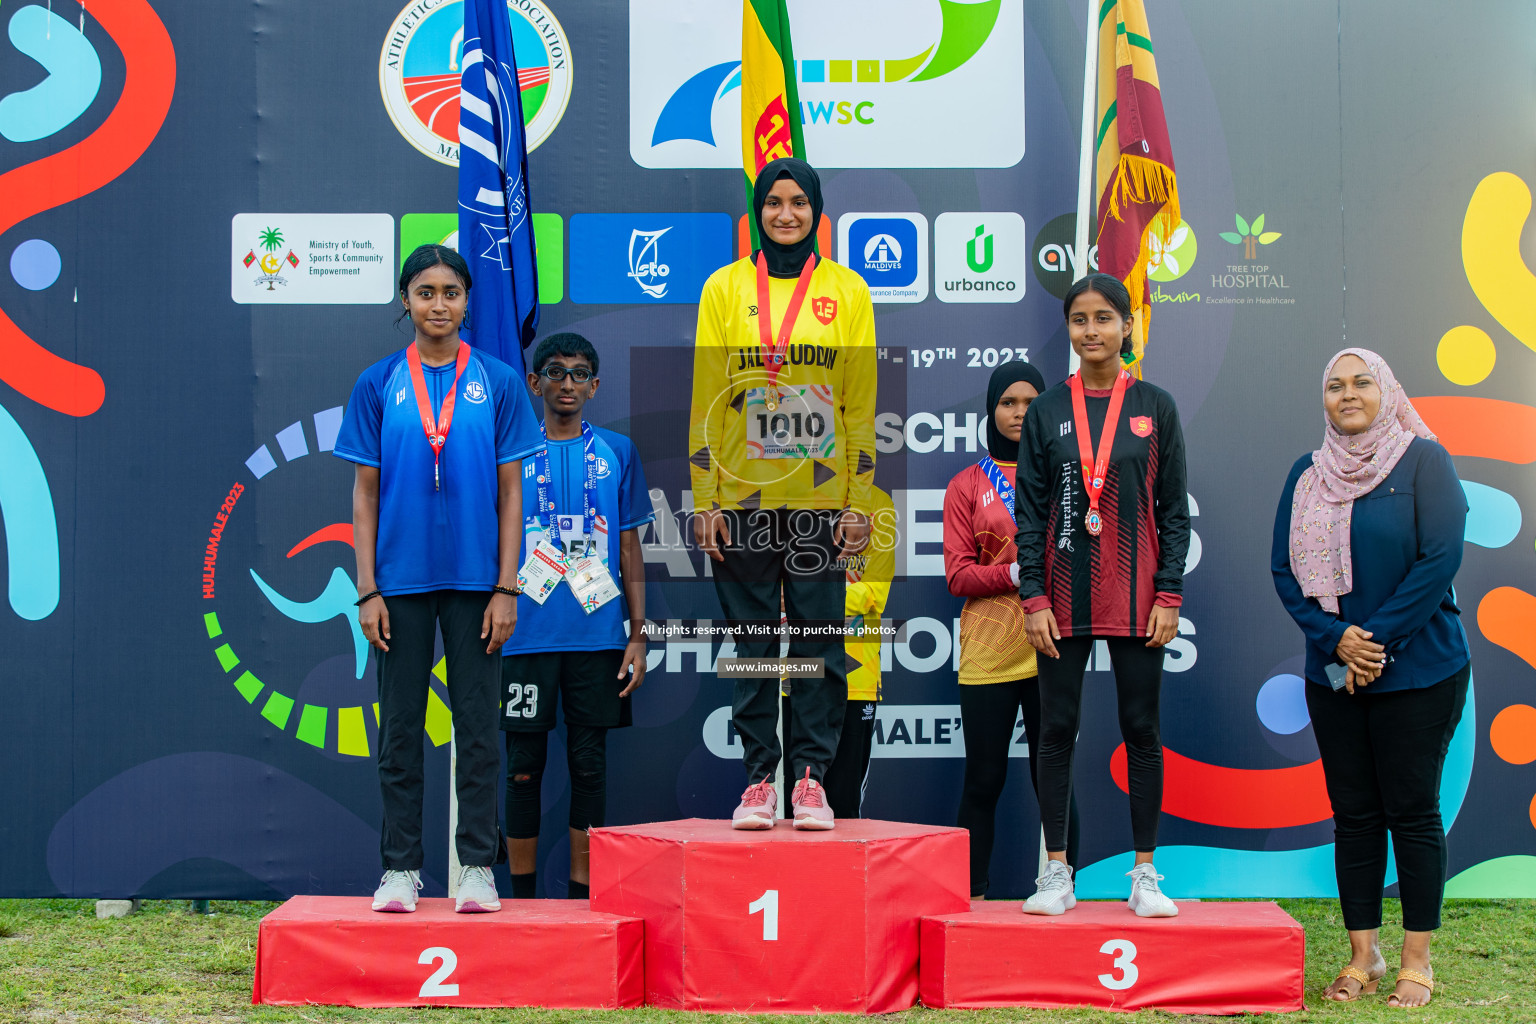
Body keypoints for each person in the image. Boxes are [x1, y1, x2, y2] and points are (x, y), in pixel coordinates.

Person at [334, 244, 541, 914]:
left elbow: (513, 495)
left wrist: (507, 586)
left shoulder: (501, 382)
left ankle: (476, 865)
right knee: (398, 732)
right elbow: (365, 495)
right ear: (406, 301)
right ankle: (400, 870)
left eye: (451, 292)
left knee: (480, 730)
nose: (439, 305)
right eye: (425, 292)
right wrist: (366, 589)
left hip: (479, 585)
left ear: (467, 300)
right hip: (399, 586)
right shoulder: (377, 383)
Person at [1272, 348, 1468, 1008]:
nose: (1347, 394)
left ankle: (1417, 960)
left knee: (1411, 813)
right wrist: (1338, 642)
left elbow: (1440, 557)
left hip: (1419, 670)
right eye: (1334, 385)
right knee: (1354, 817)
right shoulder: (1306, 475)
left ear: (1385, 390)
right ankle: (1364, 957)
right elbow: (1283, 572)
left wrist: (1373, 641)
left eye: (1360, 383)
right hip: (1333, 673)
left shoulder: (1424, 461)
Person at [689, 156, 878, 831]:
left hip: (820, 499)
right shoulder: (724, 288)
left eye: (799, 202)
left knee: (820, 641)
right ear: (757, 212)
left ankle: (809, 780)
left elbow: (860, 407)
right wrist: (703, 498)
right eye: (774, 202)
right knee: (751, 643)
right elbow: (707, 398)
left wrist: (858, 500)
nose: (787, 214)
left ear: (816, 210)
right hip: (741, 497)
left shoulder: (848, 291)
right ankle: (758, 781)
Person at [1015, 273, 1189, 918]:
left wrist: (1168, 592)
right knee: (1056, 730)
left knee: (1141, 729)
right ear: (1069, 329)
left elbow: (1174, 510)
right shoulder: (1045, 410)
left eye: (1104, 318)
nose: (1092, 331)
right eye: (1080, 319)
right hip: (1062, 597)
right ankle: (1057, 873)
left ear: (1126, 326)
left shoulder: (1155, 405)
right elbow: (1029, 515)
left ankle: (1145, 874)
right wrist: (1033, 598)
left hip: (1139, 596)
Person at [500, 332, 654, 900]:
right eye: (556, 372)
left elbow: (632, 548)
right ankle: (519, 899)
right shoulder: (510, 450)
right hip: (524, 637)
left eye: (580, 373)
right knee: (522, 766)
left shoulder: (618, 450)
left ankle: (579, 899)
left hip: (596, 638)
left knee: (589, 768)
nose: (568, 383)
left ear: (595, 385)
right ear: (535, 383)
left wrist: (637, 635)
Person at [944, 362, 1079, 899]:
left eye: (1030, 401)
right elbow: (957, 574)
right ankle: (970, 895)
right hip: (988, 650)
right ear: (992, 410)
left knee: (1055, 780)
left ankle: (1064, 886)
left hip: (1054, 644)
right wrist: (1016, 573)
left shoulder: (1067, 476)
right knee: (984, 778)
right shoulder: (967, 484)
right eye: (1008, 402)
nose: (1020, 412)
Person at [780, 486, 896, 820]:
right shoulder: (794, 499)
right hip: (801, 674)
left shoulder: (878, 505)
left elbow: (876, 591)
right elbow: (780, 588)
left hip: (856, 676)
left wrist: (811, 598)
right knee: (798, 806)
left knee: (844, 807)